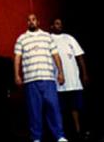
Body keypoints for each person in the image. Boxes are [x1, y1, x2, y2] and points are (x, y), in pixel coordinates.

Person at [14, 14, 69, 142]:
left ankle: (59, 136)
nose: (31, 22)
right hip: (31, 80)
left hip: (48, 78)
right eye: (29, 20)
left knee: (54, 108)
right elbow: (17, 58)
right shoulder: (21, 38)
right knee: (34, 111)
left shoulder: (47, 37)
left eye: (33, 19)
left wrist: (61, 73)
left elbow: (56, 55)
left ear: (38, 22)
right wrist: (16, 75)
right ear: (27, 23)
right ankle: (36, 138)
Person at [50, 18, 89, 139]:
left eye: (61, 24)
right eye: (57, 24)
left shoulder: (69, 38)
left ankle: (78, 132)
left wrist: (84, 74)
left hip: (73, 80)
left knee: (75, 107)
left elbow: (80, 57)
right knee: (59, 109)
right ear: (52, 26)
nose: (59, 25)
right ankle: (62, 133)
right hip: (58, 81)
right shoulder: (49, 39)